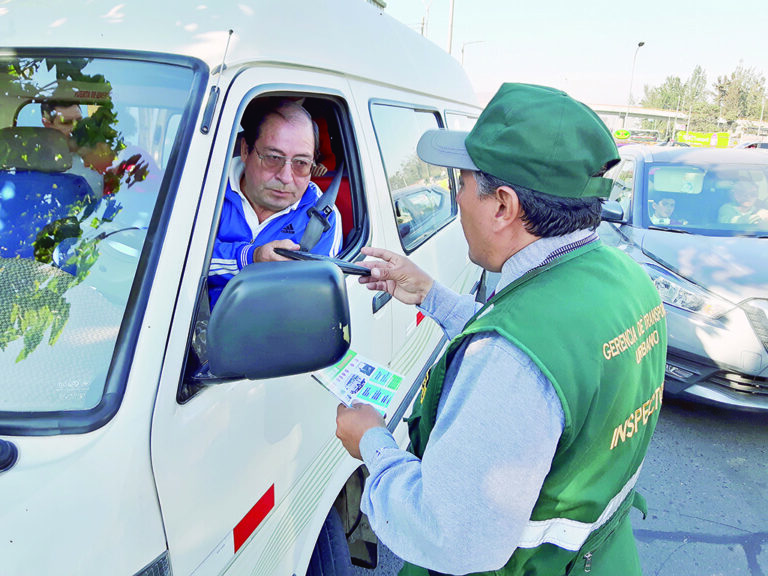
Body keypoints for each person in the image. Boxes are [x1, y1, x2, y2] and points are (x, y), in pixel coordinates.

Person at [335, 83, 667, 576]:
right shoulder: (625, 279)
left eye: (461, 185)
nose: (458, 199)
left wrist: (371, 443)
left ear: (503, 206)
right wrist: (431, 294)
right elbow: (554, 354)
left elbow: (451, 536)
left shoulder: (511, 361)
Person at [208, 99, 343, 308]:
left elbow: (311, 303)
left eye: (301, 163)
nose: (286, 177)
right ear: (245, 150)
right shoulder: (207, 191)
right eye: (273, 157)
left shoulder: (323, 217)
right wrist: (251, 258)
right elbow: (178, 261)